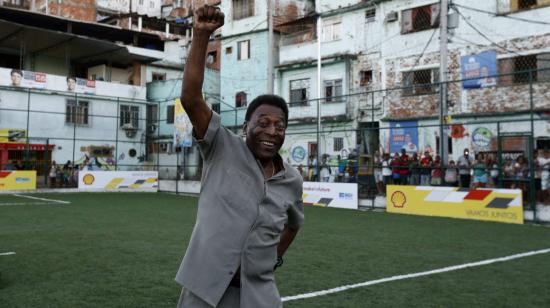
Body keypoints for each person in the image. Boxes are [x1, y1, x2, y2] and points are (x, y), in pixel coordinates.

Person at [175, 6, 304, 308]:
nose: (272, 131)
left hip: (258, 293)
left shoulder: (292, 180)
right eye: (263, 123)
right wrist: (202, 35)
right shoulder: (221, 146)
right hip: (204, 289)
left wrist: (274, 258)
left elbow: (294, 224)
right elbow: (191, 98)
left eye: (280, 126)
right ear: (246, 126)